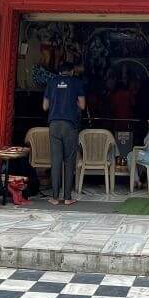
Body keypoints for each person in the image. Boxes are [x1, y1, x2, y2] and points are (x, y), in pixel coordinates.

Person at [43, 62, 86, 206]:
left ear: (59, 71)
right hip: (69, 125)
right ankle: (67, 198)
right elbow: (82, 105)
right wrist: (71, 102)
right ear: (72, 71)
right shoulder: (76, 83)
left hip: (54, 125)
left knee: (55, 161)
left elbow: (45, 106)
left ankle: (55, 198)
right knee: (69, 160)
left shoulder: (51, 82)